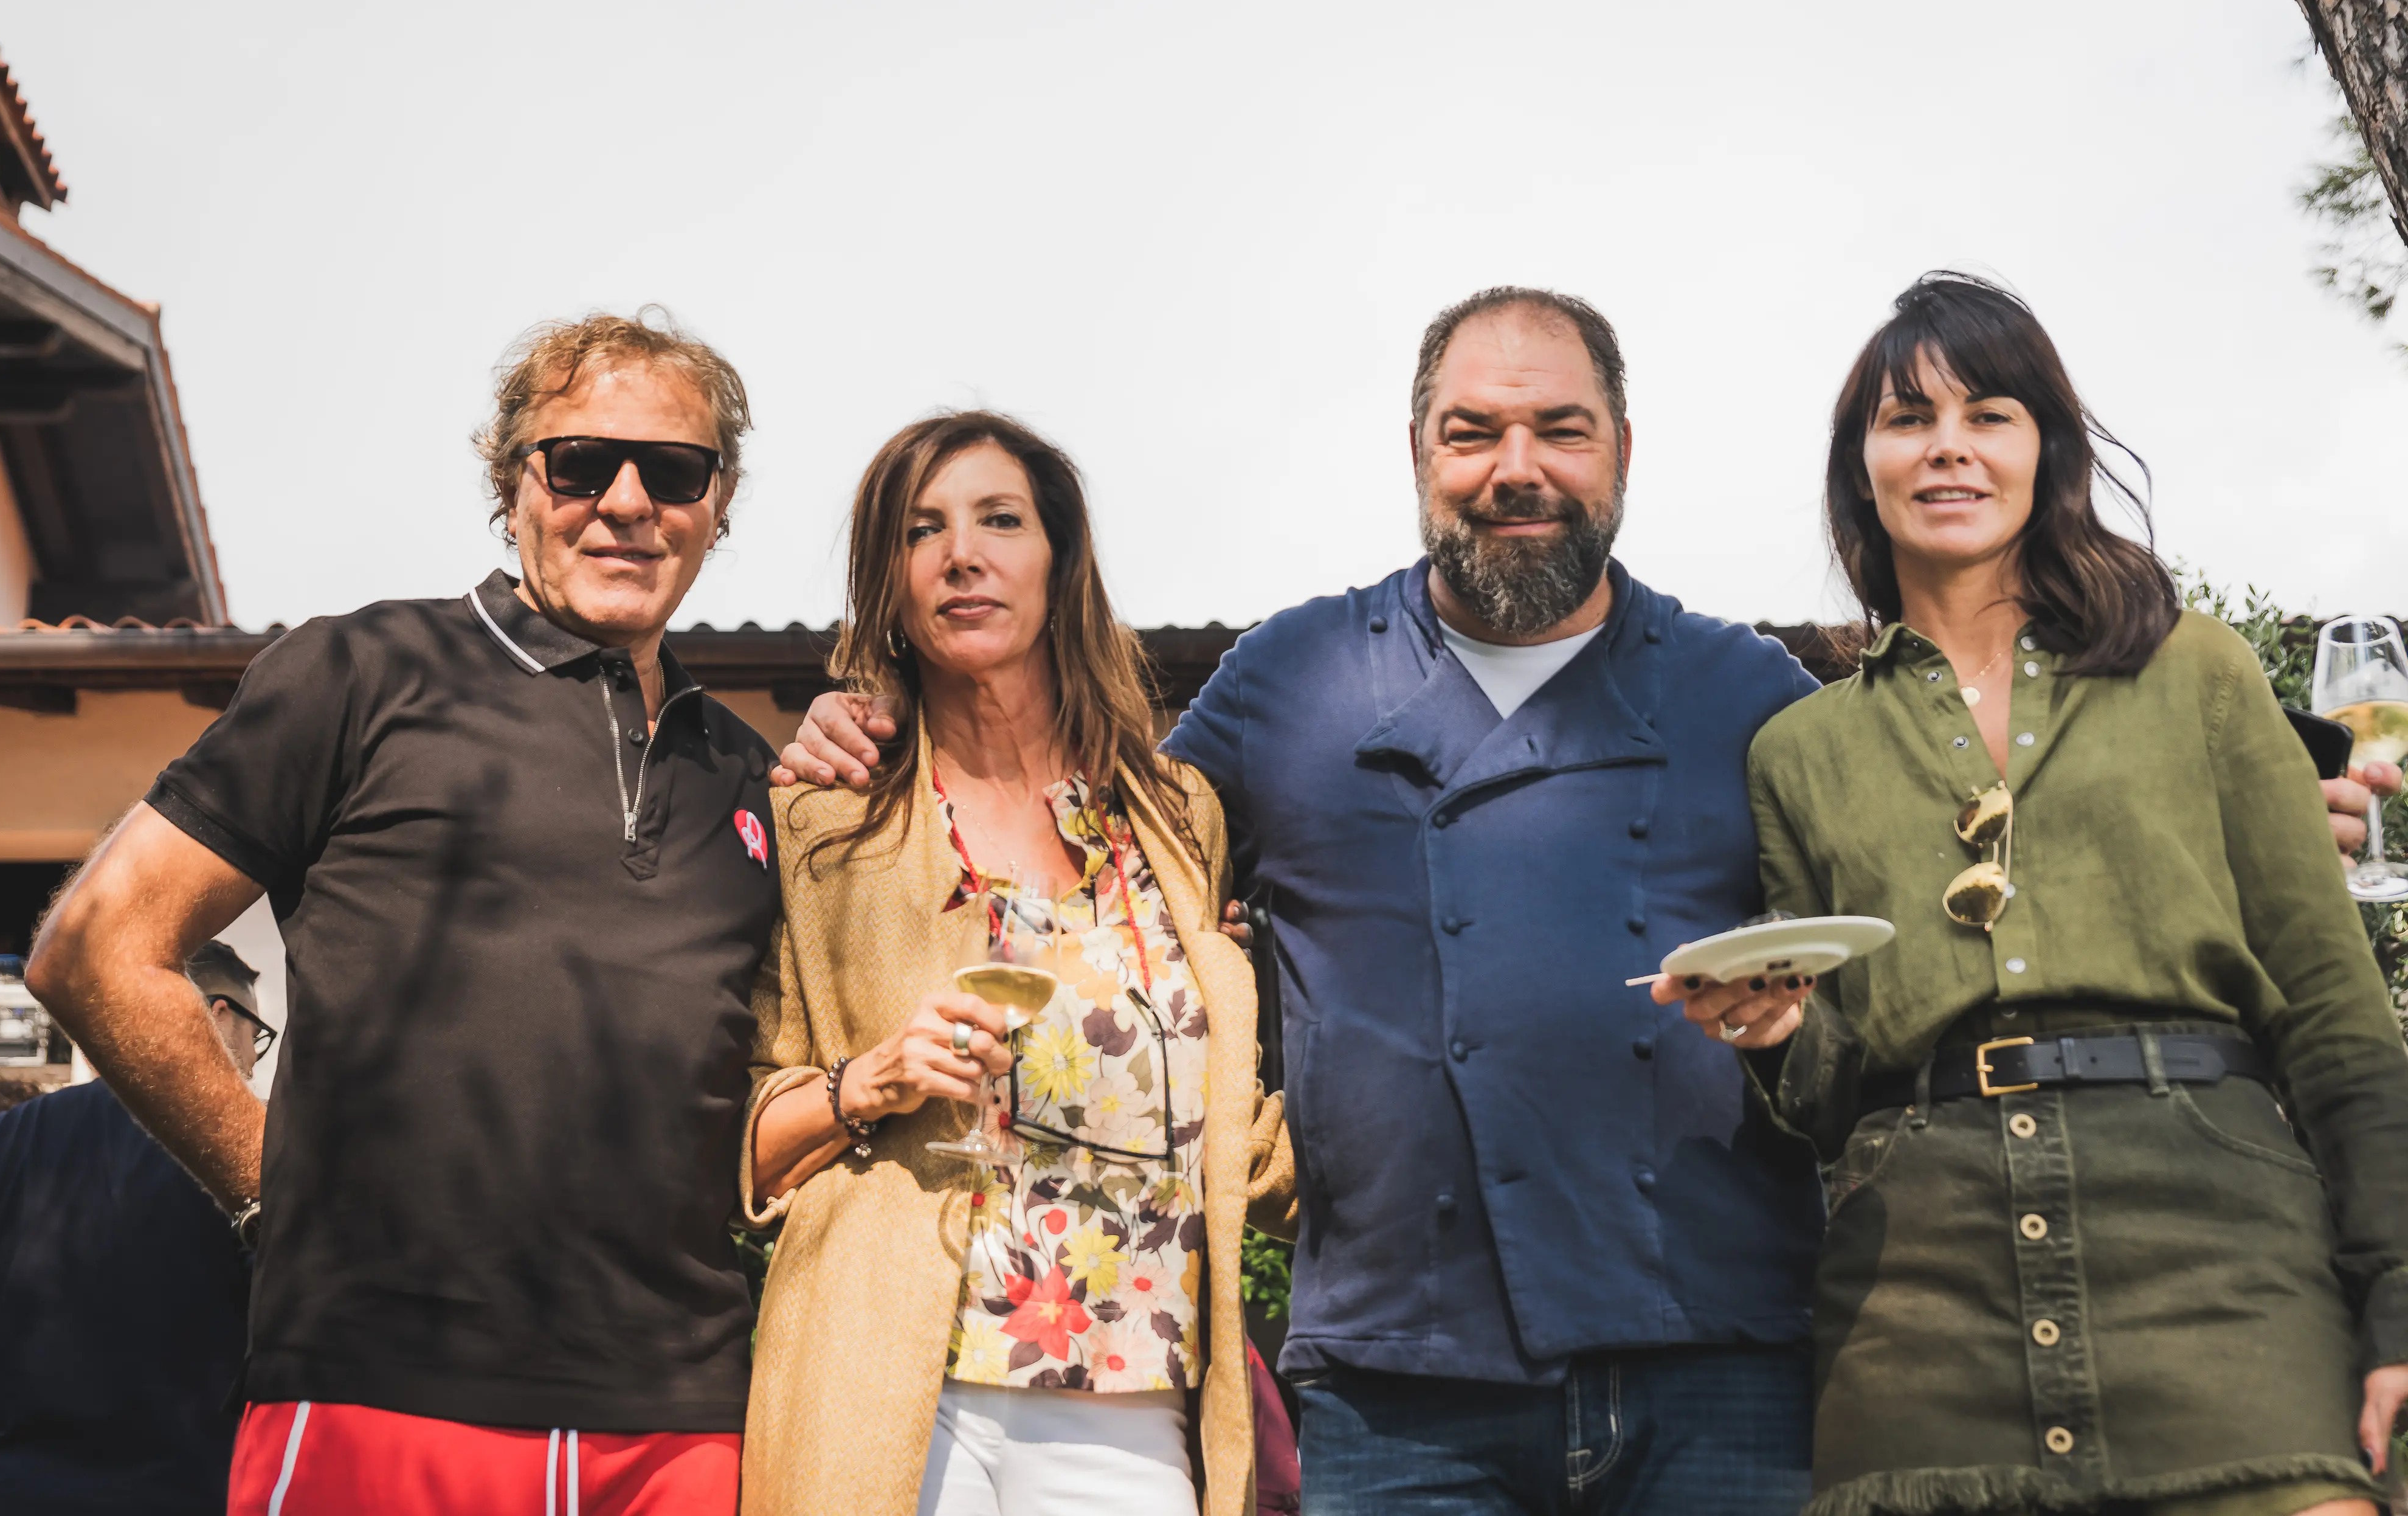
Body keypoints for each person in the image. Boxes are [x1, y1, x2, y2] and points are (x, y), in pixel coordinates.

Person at [781, 288, 1830, 1514]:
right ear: (1416, 453)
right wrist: (880, 711)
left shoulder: (1745, 692)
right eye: (1471, 432)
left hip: (1712, 1358)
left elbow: (1862, 988)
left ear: (1623, 452)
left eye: (1559, 429)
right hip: (1402, 1382)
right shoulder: (1297, 676)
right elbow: (1096, 847)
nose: (1516, 468)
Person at [1655, 272, 2408, 1516]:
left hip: (2221, 1268)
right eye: (1906, 418)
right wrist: (1780, 1033)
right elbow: (1830, 1092)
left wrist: (2395, 1295)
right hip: (1917, 1310)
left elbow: (2332, 1013)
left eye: (1987, 413)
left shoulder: (2193, 672)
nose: (1946, 445)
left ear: (2044, 450)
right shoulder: (1796, 751)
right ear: (1860, 467)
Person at [23, 311, 778, 1516]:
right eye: (579, 462)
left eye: (672, 470)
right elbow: (97, 946)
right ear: (513, 483)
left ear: (716, 503)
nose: (627, 501)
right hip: (381, 1398)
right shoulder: (364, 674)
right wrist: (269, 1190)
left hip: (678, 1430)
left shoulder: (750, 778)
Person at [737, 412, 1294, 1516]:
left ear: (1059, 559)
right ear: (888, 580)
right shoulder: (825, 817)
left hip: (1129, 1394)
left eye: (1001, 520)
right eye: (921, 531)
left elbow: (1225, 1105)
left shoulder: (1178, 817)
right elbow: (741, 1142)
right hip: (890, 1375)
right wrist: (875, 1080)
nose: (963, 555)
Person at [0, 941, 265, 1514]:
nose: (253, 1063)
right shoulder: (244, 1161)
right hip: (185, 1489)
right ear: (218, 1015)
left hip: (7, 1488)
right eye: (257, 1038)